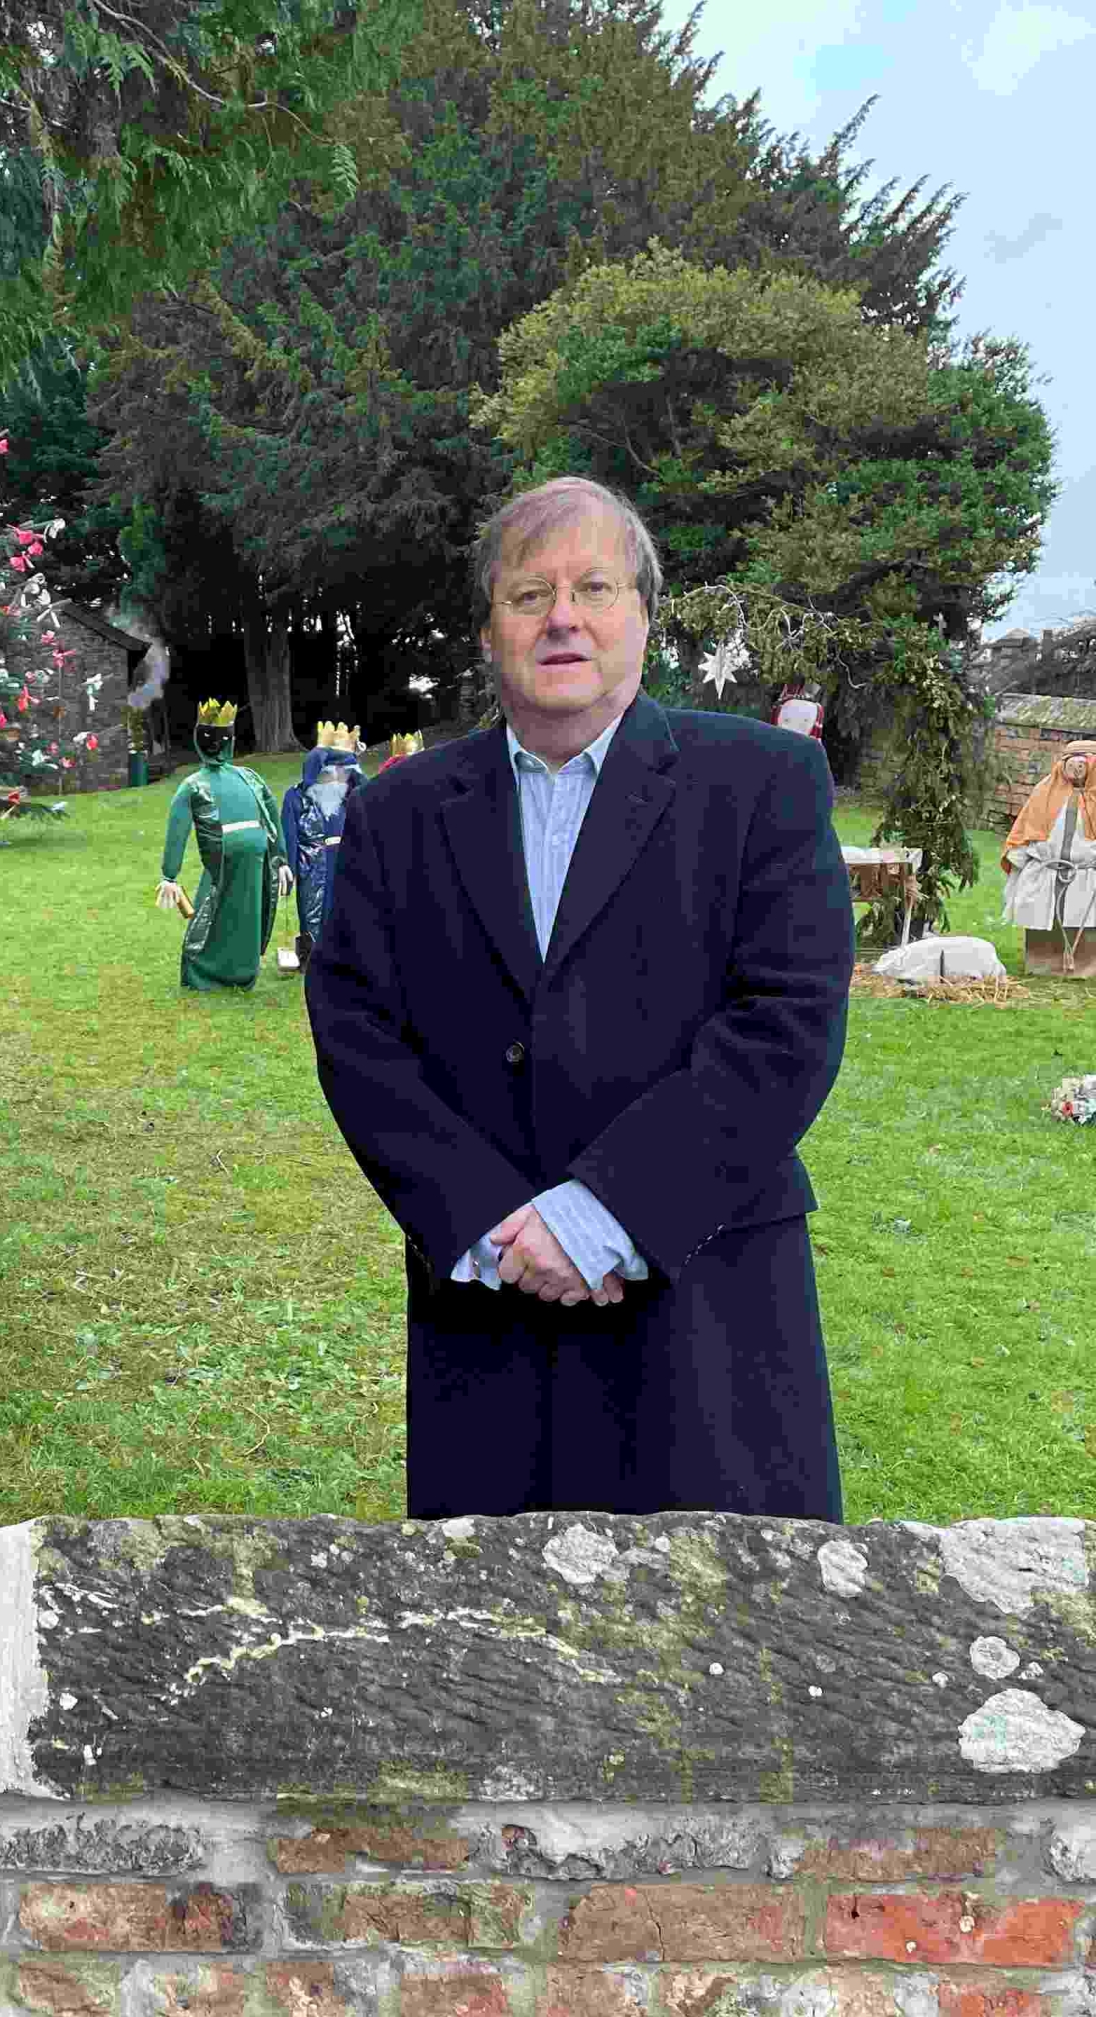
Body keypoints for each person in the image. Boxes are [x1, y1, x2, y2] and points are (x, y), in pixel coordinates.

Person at [306, 476, 853, 1520]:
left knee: (723, 1642)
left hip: (703, 1307)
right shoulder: (398, 813)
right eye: (529, 594)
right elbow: (357, 1033)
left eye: (595, 587)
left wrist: (605, 1211)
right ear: (487, 629)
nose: (563, 616)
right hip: (489, 1308)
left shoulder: (763, 784)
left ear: (642, 615)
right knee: (490, 1651)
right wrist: (489, 1219)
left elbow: (785, 1022)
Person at [156, 698, 291, 991]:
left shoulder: (192, 785)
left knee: (214, 906)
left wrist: (170, 875)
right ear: (230, 742)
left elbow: (177, 831)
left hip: (224, 852)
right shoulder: (250, 777)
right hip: (257, 850)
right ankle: (243, 971)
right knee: (247, 907)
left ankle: (206, 972)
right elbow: (271, 817)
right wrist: (279, 857)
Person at [1001, 740, 1096, 972]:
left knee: (1084, 920)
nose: (1077, 770)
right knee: (1043, 918)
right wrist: (1019, 857)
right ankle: (1042, 964)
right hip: (1046, 869)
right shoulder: (1045, 791)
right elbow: (1027, 826)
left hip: (1087, 872)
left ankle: (1084, 967)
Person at [278, 723, 365, 971]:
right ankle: (314, 957)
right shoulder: (295, 797)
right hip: (312, 862)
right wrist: (289, 867)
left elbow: (366, 789)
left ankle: (346, 955)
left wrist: (350, 760)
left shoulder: (351, 793)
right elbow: (290, 834)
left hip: (344, 858)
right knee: (312, 911)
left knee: (346, 906)